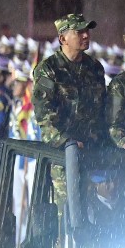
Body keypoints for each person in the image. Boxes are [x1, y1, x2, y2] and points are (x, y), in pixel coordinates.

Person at [32, 13, 107, 150]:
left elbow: (102, 109)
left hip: (94, 151)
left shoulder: (95, 67)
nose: (86, 35)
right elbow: (45, 115)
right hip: (62, 154)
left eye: (87, 31)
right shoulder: (49, 68)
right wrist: (66, 142)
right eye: (79, 32)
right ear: (63, 39)